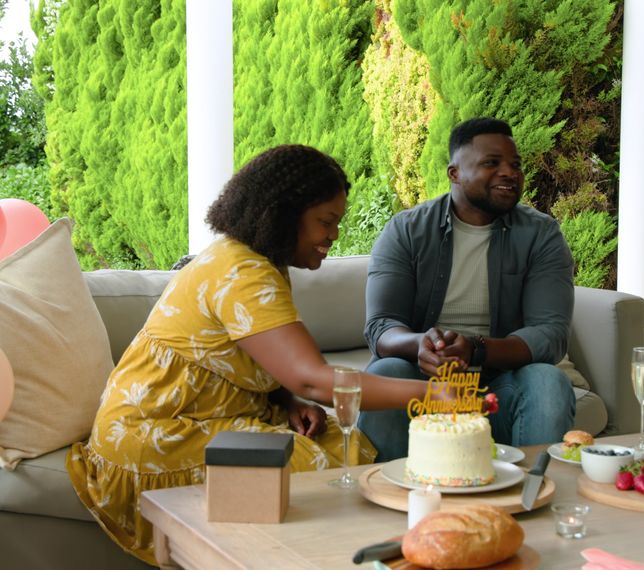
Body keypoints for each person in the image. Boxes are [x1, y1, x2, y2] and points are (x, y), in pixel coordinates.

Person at [68, 144, 445, 566]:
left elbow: (240, 362)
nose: (334, 236)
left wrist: (285, 401)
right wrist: (434, 395)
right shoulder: (243, 271)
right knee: (336, 467)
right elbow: (312, 378)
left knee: (339, 453)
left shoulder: (254, 260)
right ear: (286, 213)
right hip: (156, 440)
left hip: (193, 422)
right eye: (326, 221)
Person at [359, 117, 577, 461]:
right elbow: (381, 327)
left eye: (515, 165)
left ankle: (532, 498)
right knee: (386, 372)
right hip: (423, 383)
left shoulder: (541, 234)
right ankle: (391, 502)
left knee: (549, 382)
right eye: (492, 163)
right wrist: (422, 344)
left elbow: (550, 335)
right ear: (454, 173)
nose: (510, 173)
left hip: (499, 383)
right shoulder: (406, 230)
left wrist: (476, 350)